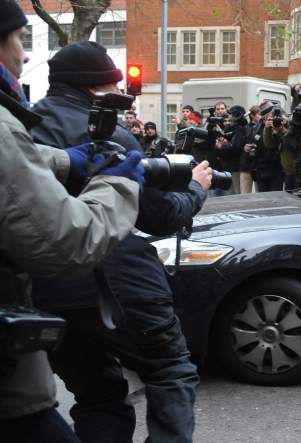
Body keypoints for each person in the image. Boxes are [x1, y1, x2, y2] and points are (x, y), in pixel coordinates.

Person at [30, 41, 208, 443]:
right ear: (96, 87)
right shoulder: (112, 137)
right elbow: (159, 215)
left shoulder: (22, 133)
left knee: (97, 393)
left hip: (45, 293)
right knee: (171, 371)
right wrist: (195, 189)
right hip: (118, 281)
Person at [0, 4, 143, 441]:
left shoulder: (32, 121)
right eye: (20, 38)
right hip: (11, 380)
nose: (24, 55)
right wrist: (117, 186)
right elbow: (67, 242)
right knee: (174, 370)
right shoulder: (7, 126)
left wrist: (64, 161)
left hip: (44, 309)